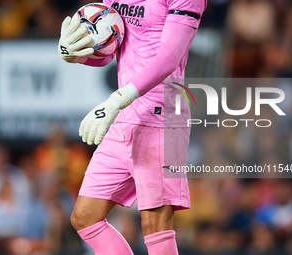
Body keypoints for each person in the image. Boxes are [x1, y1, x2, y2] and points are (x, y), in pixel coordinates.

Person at [58, 0, 207, 254]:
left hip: (162, 118)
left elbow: (169, 58)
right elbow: (111, 47)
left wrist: (118, 99)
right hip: (124, 115)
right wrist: (80, 54)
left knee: (154, 224)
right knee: (84, 217)